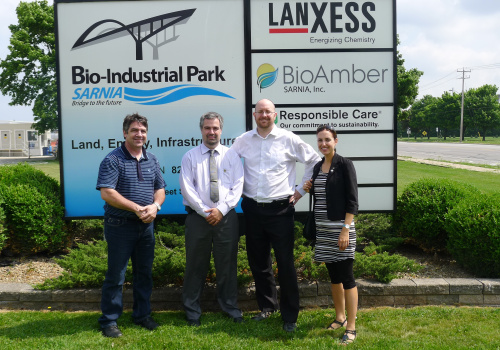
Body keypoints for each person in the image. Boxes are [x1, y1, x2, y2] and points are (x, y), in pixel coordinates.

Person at [231, 99, 320, 332]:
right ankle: (268, 307)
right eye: (260, 112)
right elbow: (226, 162)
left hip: (280, 210)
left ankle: (290, 315)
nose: (264, 115)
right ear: (254, 115)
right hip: (251, 209)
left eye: (268, 112)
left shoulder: (288, 138)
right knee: (259, 263)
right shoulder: (243, 141)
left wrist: (301, 190)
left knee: (285, 263)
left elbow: (313, 160)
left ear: (275, 114)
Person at [96, 113, 166, 338]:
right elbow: (107, 193)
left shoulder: (152, 159)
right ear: (125, 133)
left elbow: (160, 189)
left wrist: (155, 206)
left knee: (144, 273)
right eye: (135, 130)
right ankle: (109, 321)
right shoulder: (113, 159)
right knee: (116, 275)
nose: (139, 134)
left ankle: (142, 315)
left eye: (143, 131)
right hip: (120, 225)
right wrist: (137, 208)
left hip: (146, 226)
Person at [179, 112, 244, 326]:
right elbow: (187, 189)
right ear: (201, 130)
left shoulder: (231, 156)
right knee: (195, 266)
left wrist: (221, 210)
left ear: (221, 130)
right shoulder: (190, 156)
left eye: (215, 128)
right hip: (199, 219)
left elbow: (238, 185)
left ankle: (230, 307)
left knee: (227, 265)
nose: (211, 132)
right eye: (207, 128)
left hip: (226, 218)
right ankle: (192, 312)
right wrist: (205, 211)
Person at [303, 125, 359, 345]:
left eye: (327, 139)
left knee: (347, 277)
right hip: (323, 230)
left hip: (341, 229)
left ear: (336, 140)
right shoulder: (318, 167)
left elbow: (352, 200)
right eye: (319, 140)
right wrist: (309, 186)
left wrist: (346, 228)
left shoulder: (345, 165)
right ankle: (340, 317)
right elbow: (323, 193)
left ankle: (352, 327)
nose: (323, 144)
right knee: (333, 277)